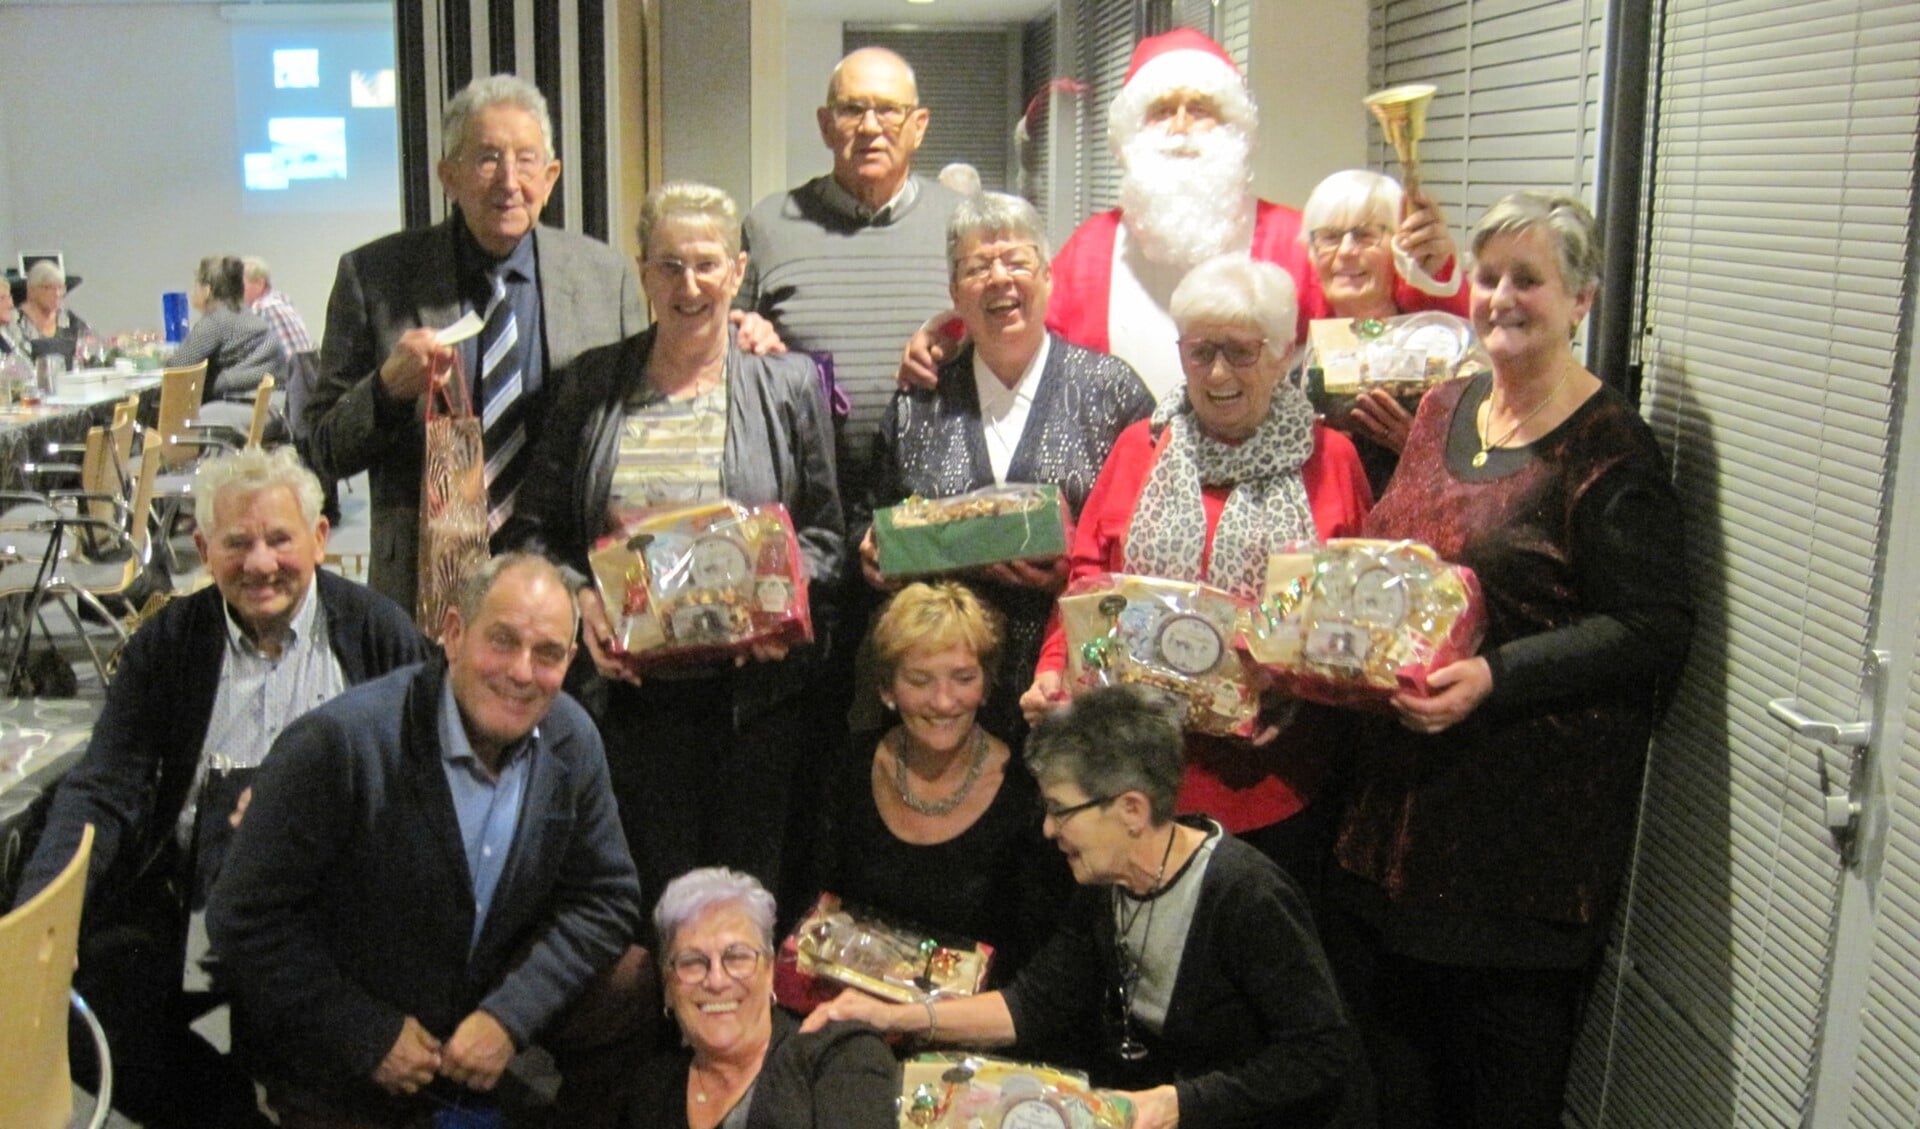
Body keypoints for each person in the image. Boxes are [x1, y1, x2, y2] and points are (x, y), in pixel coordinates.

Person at [1325, 192, 1694, 1127]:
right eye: (1488, 276)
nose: (1499, 297)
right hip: (1391, 829)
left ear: (1583, 299)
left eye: (1528, 279)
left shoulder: (1608, 449)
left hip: (1517, 856)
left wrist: (1495, 677)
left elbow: (1653, 626)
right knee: (1395, 1092)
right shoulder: (1446, 405)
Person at [11, 445, 427, 1129]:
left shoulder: (378, 633)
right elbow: (103, 788)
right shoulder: (167, 645)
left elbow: (426, 785)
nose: (260, 563)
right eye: (236, 543)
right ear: (204, 548)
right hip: (193, 904)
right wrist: (43, 918)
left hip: (334, 913)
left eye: (279, 539)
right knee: (92, 1013)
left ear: (320, 539)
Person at [208, 552, 651, 1129]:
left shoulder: (570, 738)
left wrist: (511, 1016)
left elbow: (608, 897)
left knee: (633, 982)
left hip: (477, 1021)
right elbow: (241, 919)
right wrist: (366, 1034)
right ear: (453, 633)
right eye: (503, 641)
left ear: (570, 660)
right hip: (350, 1042)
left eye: (547, 654)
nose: (522, 672)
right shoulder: (338, 745)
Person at [807, 685, 1370, 1129]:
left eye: (1061, 810)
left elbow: (1321, 1053)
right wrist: (893, 1016)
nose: (1049, 830)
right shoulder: (1104, 884)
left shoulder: (1246, 894)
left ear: (1130, 809)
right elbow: (1033, 1005)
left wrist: (1178, 1104)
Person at [502, 180, 843, 908]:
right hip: (627, 704)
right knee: (644, 899)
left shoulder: (787, 384)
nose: (689, 285)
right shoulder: (591, 383)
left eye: (706, 264)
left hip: (752, 701)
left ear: (737, 270)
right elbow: (534, 529)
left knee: (749, 899)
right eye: (669, 266)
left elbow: (824, 536)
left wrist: (773, 599)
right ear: (643, 271)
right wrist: (578, 596)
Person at [1020, 253, 1371, 891]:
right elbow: (1087, 581)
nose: (1216, 374)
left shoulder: (1333, 460)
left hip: (1274, 783)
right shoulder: (1139, 446)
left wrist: (1293, 679)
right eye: (1199, 350)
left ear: (1286, 352)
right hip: (1136, 784)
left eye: (1240, 351)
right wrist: (1052, 670)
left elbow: (1357, 626)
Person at [908, 30, 1460, 404]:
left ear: (1236, 131)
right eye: (1160, 111)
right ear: (1129, 137)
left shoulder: (1299, 240)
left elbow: (1388, 331)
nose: (1179, 127)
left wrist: (1428, 273)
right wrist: (949, 336)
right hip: (1122, 489)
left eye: (1201, 109)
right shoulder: (1092, 251)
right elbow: (1021, 330)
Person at [306, 74, 644, 614]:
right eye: (487, 158)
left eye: (527, 160)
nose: (509, 181)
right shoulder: (375, 277)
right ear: (449, 176)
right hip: (428, 588)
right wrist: (386, 391)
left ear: (551, 176)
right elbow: (318, 448)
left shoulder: (608, 279)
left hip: (569, 585)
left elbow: (642, 424)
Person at [861, 191, 1153, 742]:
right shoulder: (918, 401)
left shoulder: (1114, 393)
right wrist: (872, 554)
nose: (999, 279)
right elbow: (870, 513)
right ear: (953, 292)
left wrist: (1075, 575)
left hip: (1071, 687)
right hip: (942, 698)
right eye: (977, 268)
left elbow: (1148, 542)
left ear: (1048, 278)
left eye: (1017, 262)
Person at [812, 583, 1072, 987]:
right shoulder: (847, 767)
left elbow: (1037, 968)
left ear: (986, 686)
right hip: (852, 1011)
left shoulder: (1027, 790)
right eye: (919, 680)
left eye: (963, 678)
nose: (944, 701)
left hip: (973, 1028)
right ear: (886, 688)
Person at [737, 45, 963, 500]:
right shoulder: (768, 225)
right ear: (825, 125)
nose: (871, 127)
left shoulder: (964, 224)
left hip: (934, 501)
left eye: (889, 111)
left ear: (918, 126)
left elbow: (1015, 340)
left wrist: (963, 333)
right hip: (804, 498)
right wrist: (742, 333)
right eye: (852, 109)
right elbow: (718, 351)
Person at [626, 868, 897, 1129]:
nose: (717, 980)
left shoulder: (838, 1055)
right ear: (669, 987)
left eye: (737, 957)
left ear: (770, 971)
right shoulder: (650, 1092)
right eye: (693, 962)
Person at [1298, 169, 1472, 493]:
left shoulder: (1439, 353)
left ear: (1401, 249)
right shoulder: (1296, 367)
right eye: (1330, 237)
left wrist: (1422, 450)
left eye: (1366, 235)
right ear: (1310, 251)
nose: (1347, 251)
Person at [168, 254, 288, 402]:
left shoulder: (215, 322)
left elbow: (176, 369)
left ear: (206, 290)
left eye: (195, 285)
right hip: (271, 403)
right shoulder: (246, 315)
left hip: (238, 404)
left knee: (150, 404)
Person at [17, 258, 92, 363]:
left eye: (60, 288)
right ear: (31, 290)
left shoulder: (71, 321)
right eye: (48, 288)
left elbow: (89, 350)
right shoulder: (15, 322)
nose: (57, 294)